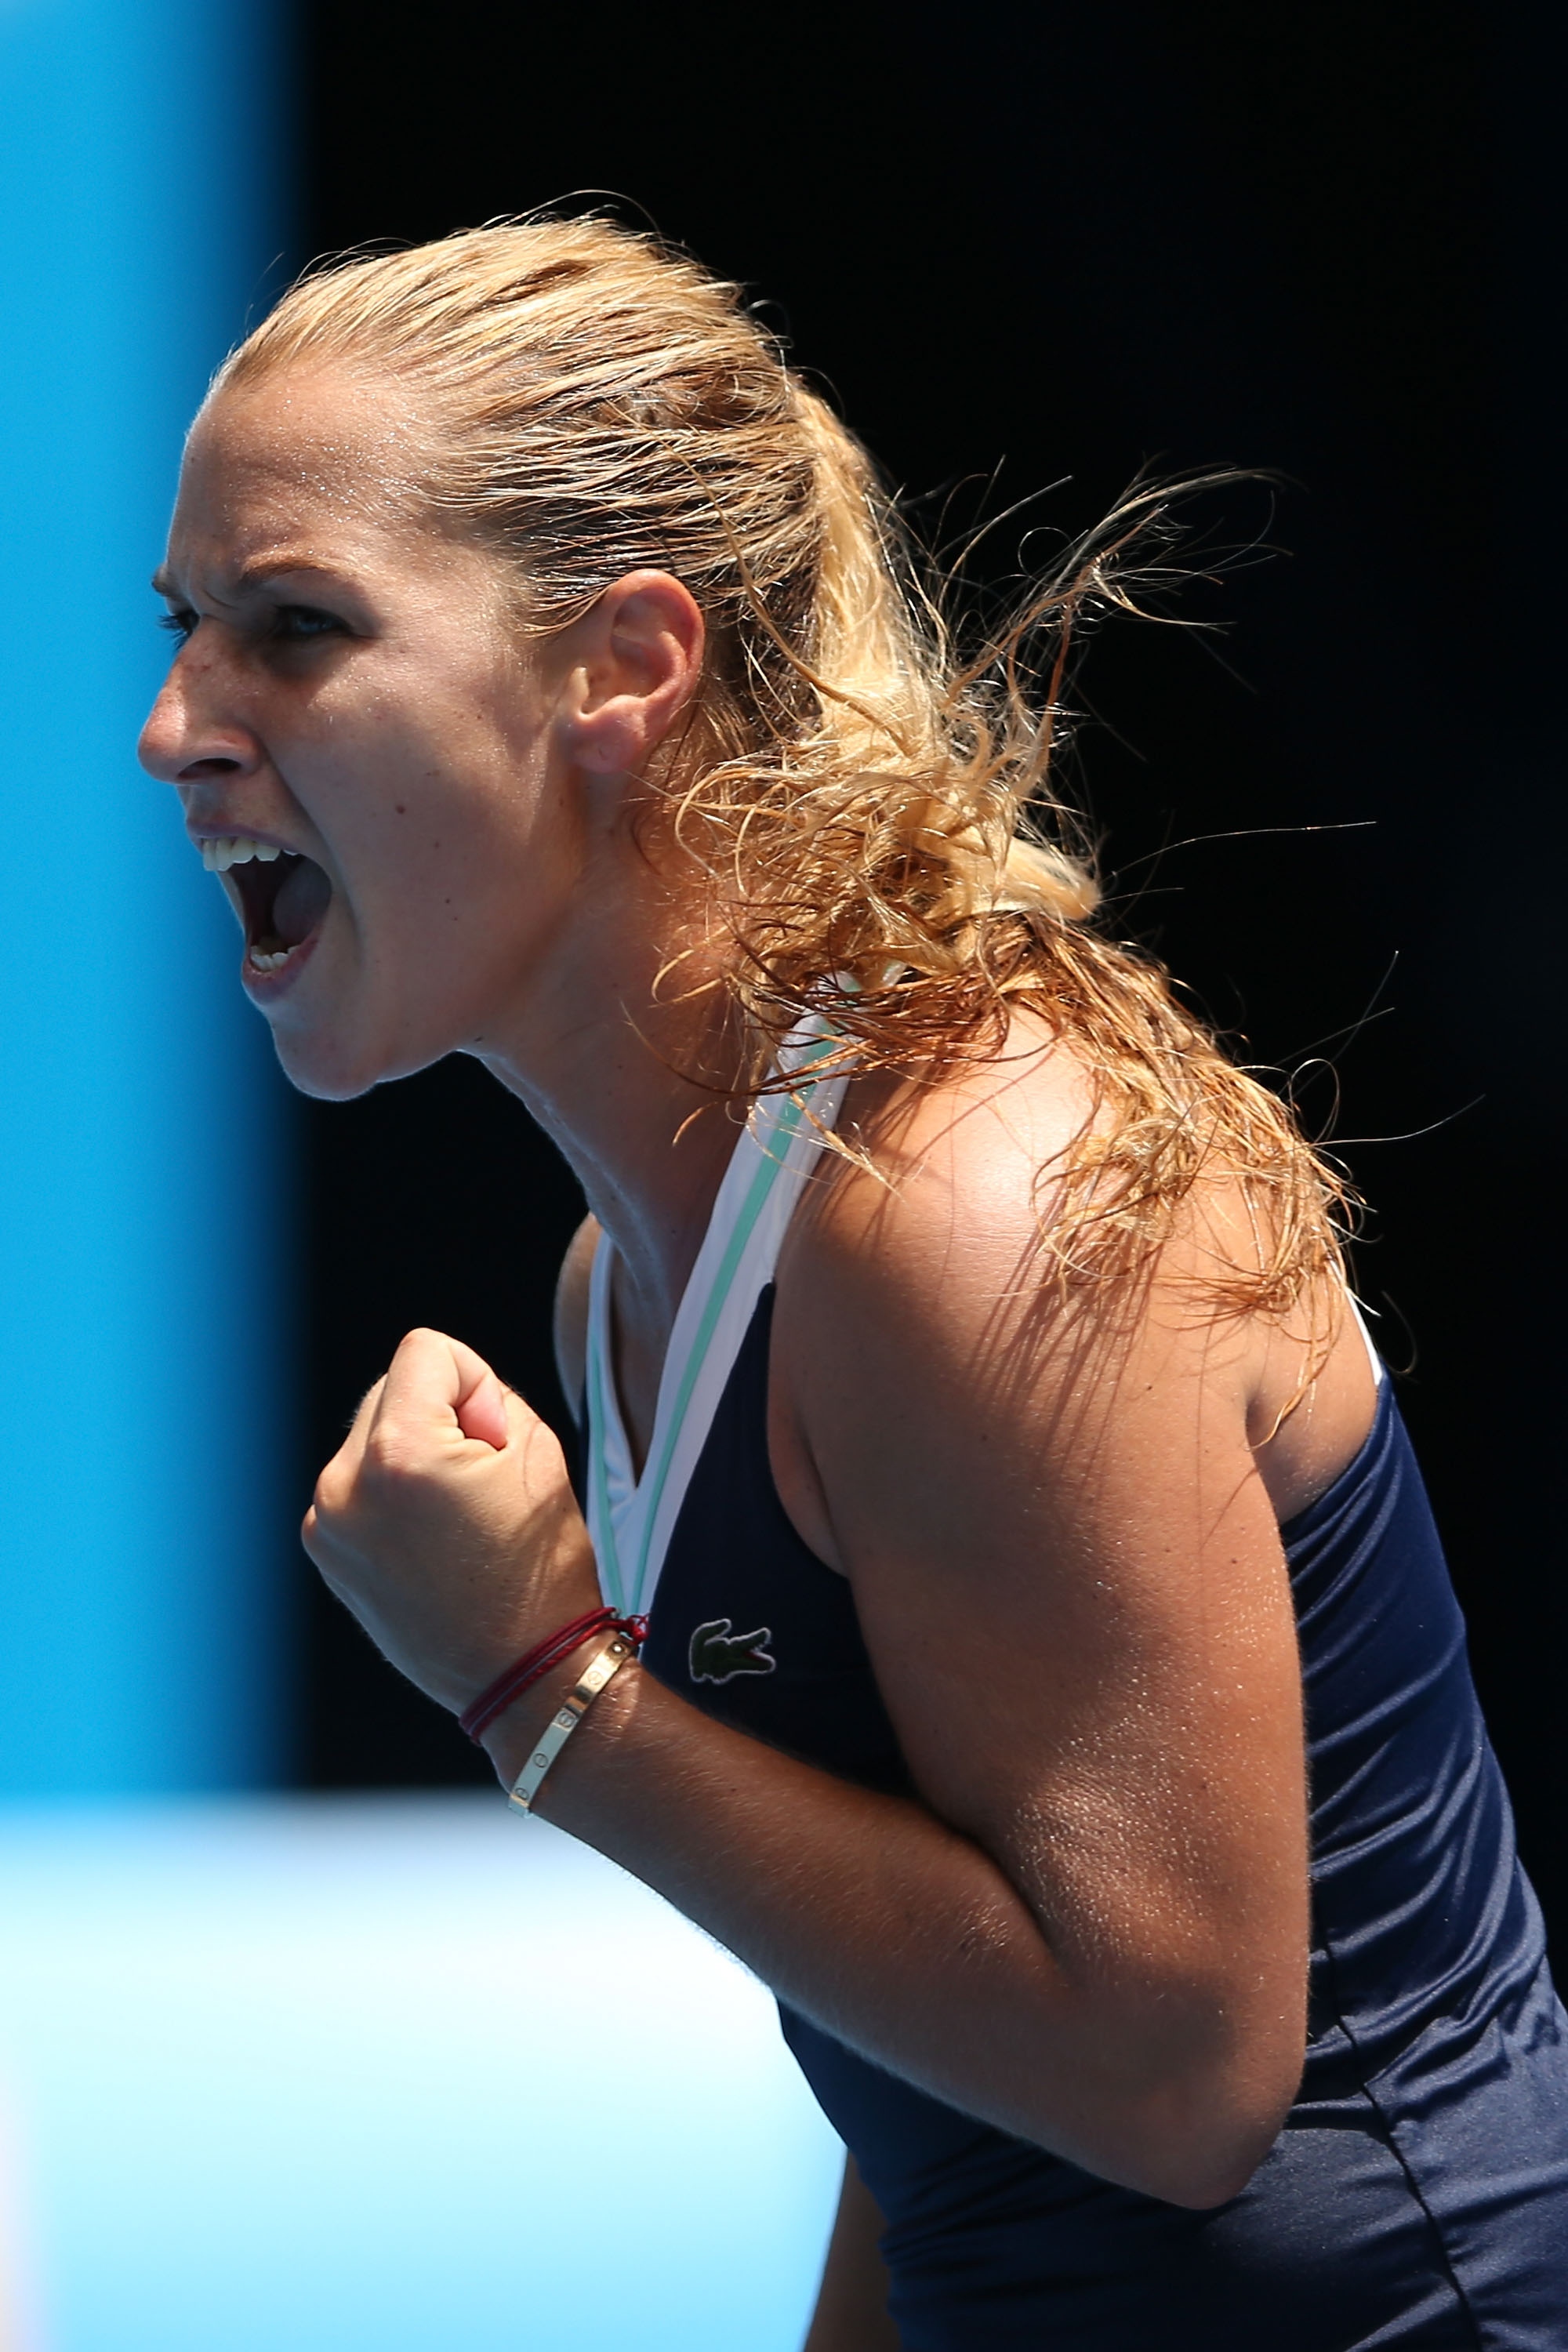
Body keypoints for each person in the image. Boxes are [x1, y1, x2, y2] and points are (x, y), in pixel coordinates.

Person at [138, 218, 1568, 2350]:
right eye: (186, 630)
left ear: (622, 667)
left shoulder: (966, 1201)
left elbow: (1175, 2082)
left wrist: (543, 1693)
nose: (176, 727)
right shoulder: (636, 1277)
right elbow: (930, 2071)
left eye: (297, 628)